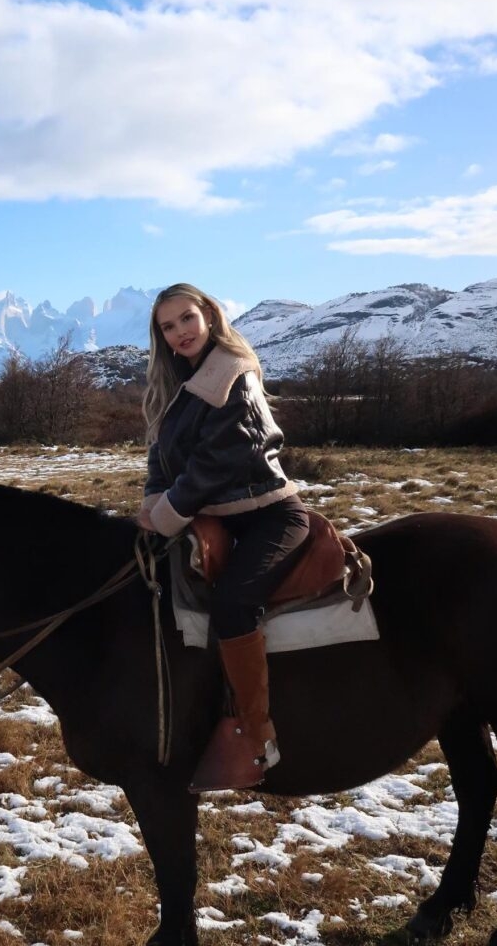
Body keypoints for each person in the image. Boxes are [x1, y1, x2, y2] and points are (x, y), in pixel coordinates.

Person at [136, 283, 309, 792]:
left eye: (186, 319)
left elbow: (222, 459)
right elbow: (160, 457)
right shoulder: (182, 384)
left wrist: (166, 513)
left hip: (267, 516)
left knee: (234, 603)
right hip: (212, 517)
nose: (180, 332)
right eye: (168, 327)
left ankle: (256, 734)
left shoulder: (232, 371)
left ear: (209, 314)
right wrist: (150, 505)